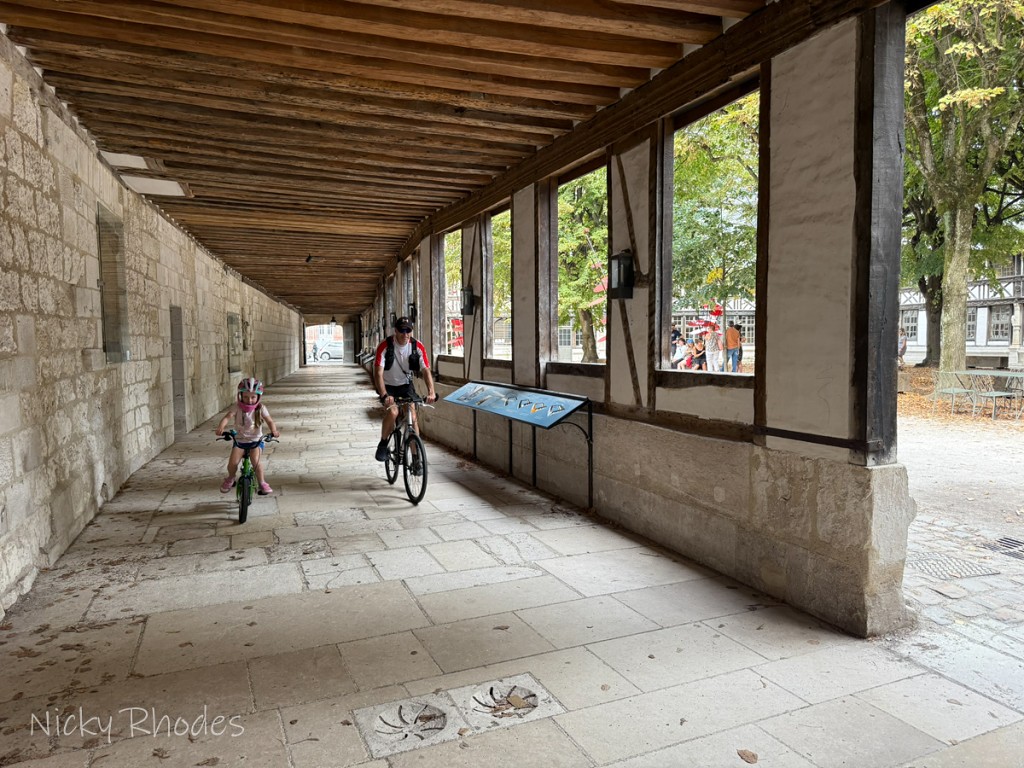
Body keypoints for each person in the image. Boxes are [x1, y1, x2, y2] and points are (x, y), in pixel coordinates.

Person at [373, 316, 437, 463]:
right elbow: (378, 373)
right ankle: (383, 443)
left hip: (406, 386)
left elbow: (426, 370)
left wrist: (431, 392)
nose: (405, 334)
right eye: (402, 330)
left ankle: (416, 457)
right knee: (393, 412)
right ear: (395, 331)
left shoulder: (417, 346)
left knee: (412, 417)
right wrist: (384, 395)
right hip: (388, 386)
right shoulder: (385, 346)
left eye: (408, 330)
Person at [215, 377, 280, 495]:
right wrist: (221, 427)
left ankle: (262, 482)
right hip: (240, 441)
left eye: (253, 397)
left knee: (256, 461)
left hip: (256, 441)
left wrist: (274, 430)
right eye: (245, 397)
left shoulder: (261, 408)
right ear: (240, 396)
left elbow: (269, 420)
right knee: (233, 463)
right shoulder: (237, 407)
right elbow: (227, 417)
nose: (249, 400)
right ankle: (230, 478)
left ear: (258, 397)